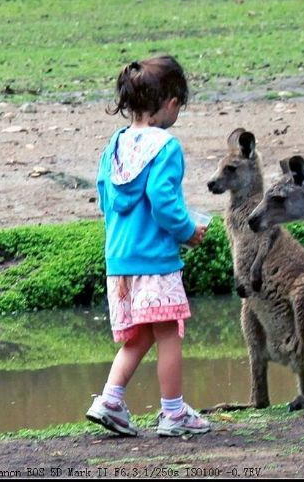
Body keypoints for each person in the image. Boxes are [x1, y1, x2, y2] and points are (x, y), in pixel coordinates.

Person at [86, 55, 210, 437]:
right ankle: (173, 413)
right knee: (168, 331)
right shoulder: (166, 147)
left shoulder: (115, 143)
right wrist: (188, 230)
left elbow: (105, 195)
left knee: (138, 335)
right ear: (171, 102)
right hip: (155, 261)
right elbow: (162, 198)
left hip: (120, 259)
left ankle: (109, 400)